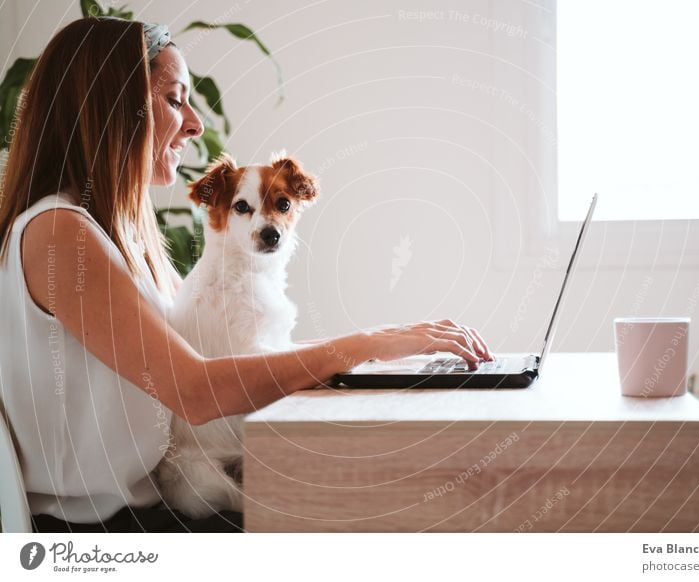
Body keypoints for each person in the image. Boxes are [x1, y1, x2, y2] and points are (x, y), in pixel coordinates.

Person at [0, 17, 494, 533]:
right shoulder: (60, 234)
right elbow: (194, 390)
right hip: (104, 533)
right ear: (111, 108)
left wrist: (385, 345)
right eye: (174, 99)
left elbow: (223, 361)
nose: (194, 123)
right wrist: (364, 344)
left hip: (147, 507)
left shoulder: (110, 235)